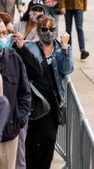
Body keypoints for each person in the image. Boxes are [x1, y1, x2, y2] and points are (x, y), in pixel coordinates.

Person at [24, 15, 73, 169]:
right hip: (35, 101)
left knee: (49, 139)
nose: (49, 32)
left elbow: (67, 69)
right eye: (44, 29)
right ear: (38, 30)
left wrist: (65, 48)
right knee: (32, 138)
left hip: (53, 102)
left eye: (52, 29)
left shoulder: (61, 47)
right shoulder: (30, 48)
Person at [0, 17, 31, 169]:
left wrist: (19, 120)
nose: (2, 37)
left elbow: (24, 93)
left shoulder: (14, 58)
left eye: (4, 33)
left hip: (9, 133)